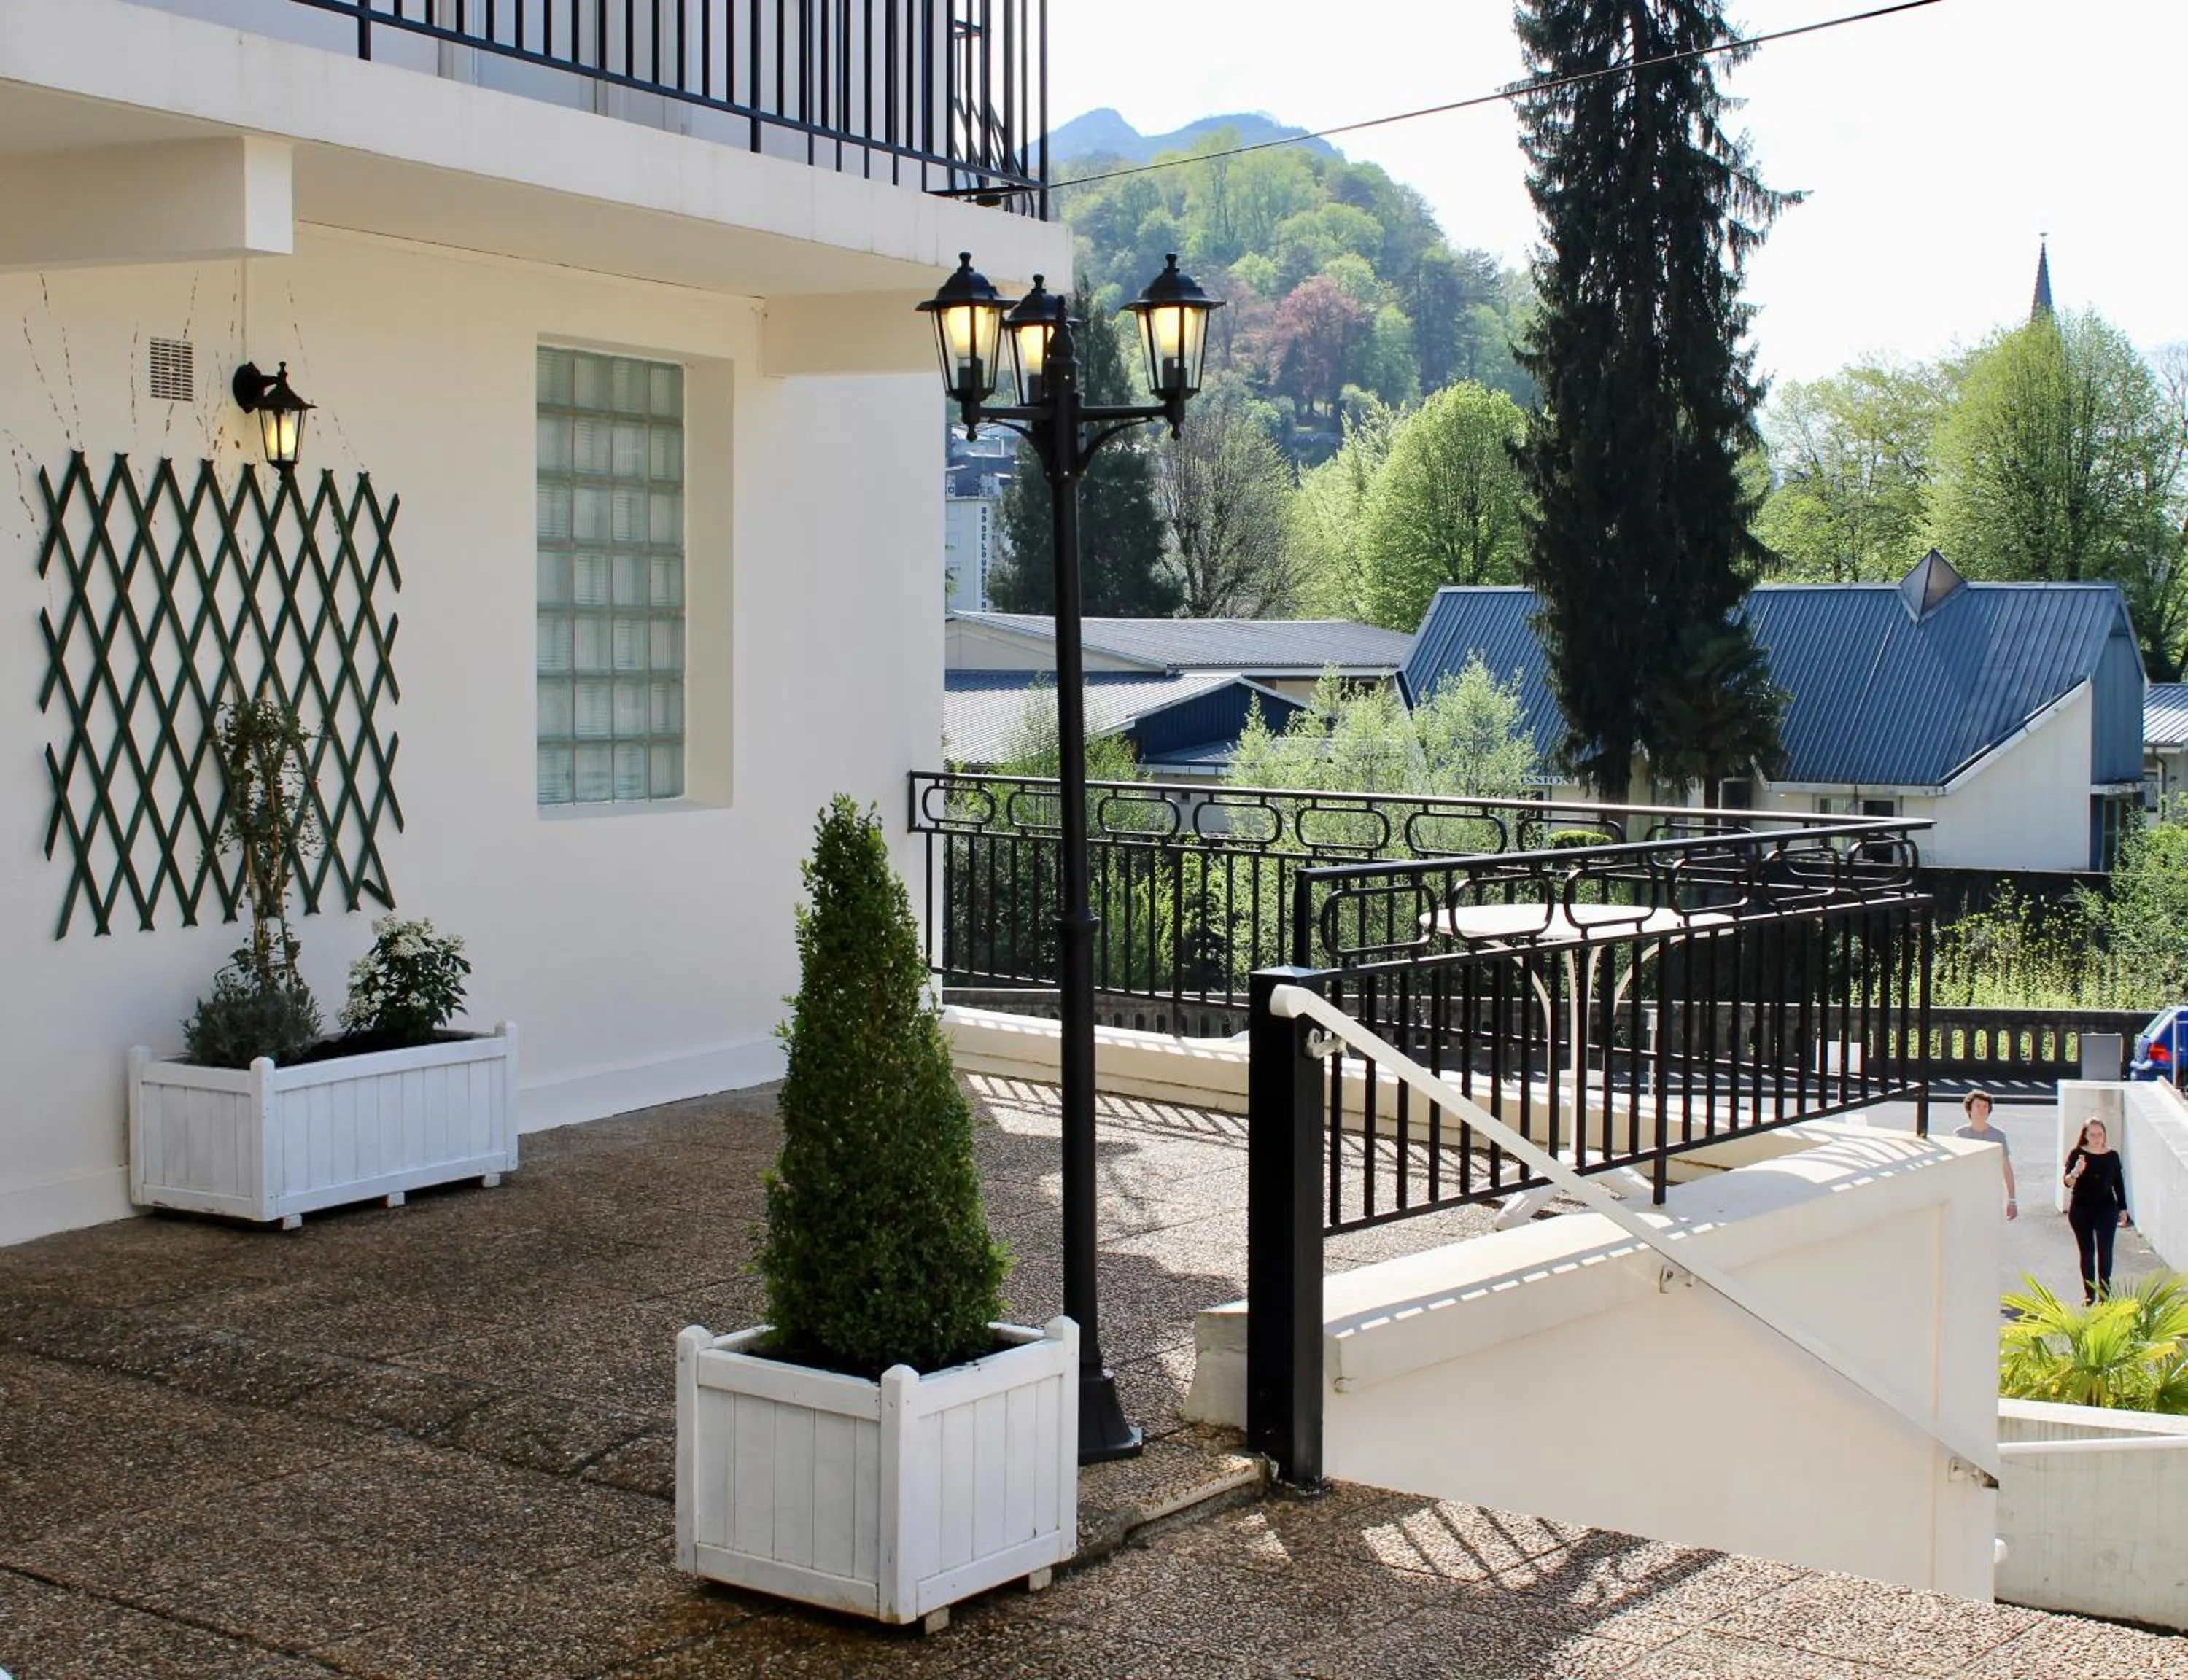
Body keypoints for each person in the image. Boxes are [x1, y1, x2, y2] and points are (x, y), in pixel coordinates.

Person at [2062, 1118, 2131, 1304]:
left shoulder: (2112, 1156)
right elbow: (2067, 1182)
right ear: (2085, 1135)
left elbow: (2118, 1183)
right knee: (2087, 1251)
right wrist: (2076, 1171)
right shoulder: (2077, 1154)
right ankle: (2089, 1293)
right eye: (2092, 1135)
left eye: (2100, 1134)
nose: (2097, 1138)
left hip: (2106, 1208)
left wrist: (2123, 1208)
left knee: (2105, 1250)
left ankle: (2105, 1293)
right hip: (2081, 1209)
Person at [1952, 1089, 2017, 1221]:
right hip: (1965, 1194)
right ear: (1969, 1109)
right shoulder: (1959, 1134)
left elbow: (2006, 1168)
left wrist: (2012, 1200)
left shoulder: (1998, 1135)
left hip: (1990, 1193)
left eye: (1985, 1106)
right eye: (1978, 1106)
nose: (1982, 1109)